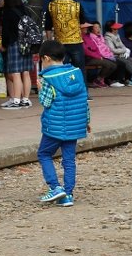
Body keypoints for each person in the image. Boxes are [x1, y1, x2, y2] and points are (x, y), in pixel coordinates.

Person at [35, 39, 90, 208]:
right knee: (69, 159)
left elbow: (46, 102)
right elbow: (84, 100)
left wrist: (39, 88)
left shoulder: (48, 78)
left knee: (44, 154)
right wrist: (86, 120)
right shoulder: (77, 73)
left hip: (55, 126)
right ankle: (68, 194)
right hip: (75, 124)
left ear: (46, 58)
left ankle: (55, 187)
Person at [0, 0, 36, 108]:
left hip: (14, 44)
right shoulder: (25, 10)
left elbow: (6, 33)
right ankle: (25, 99)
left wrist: (4, 45)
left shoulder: (8, 12)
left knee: (15, 73)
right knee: (25, 72)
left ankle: (16, 100)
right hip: (26, 44)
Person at [44, 0, 86, 71]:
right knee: (79, 69)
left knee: (62, 69)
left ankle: (64, 85)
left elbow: (47, 26)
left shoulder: (52, 5)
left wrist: (50, 42)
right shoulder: (77, 5)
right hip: (76, 42)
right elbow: (82, 22)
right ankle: (80, 85)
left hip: (60, 42)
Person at [82, 21, 124, 87]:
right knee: (109, 64)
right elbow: (86, 51)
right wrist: (98, 56)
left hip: (97, 56)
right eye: (84, 28)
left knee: (114, 65)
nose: (86, 29)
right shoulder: (82, 37)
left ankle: (99, 80)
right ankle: (99, 80)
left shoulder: (88, 37)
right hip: (88, 58)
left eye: (99, 27)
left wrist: (100, 55)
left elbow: (97, 48)